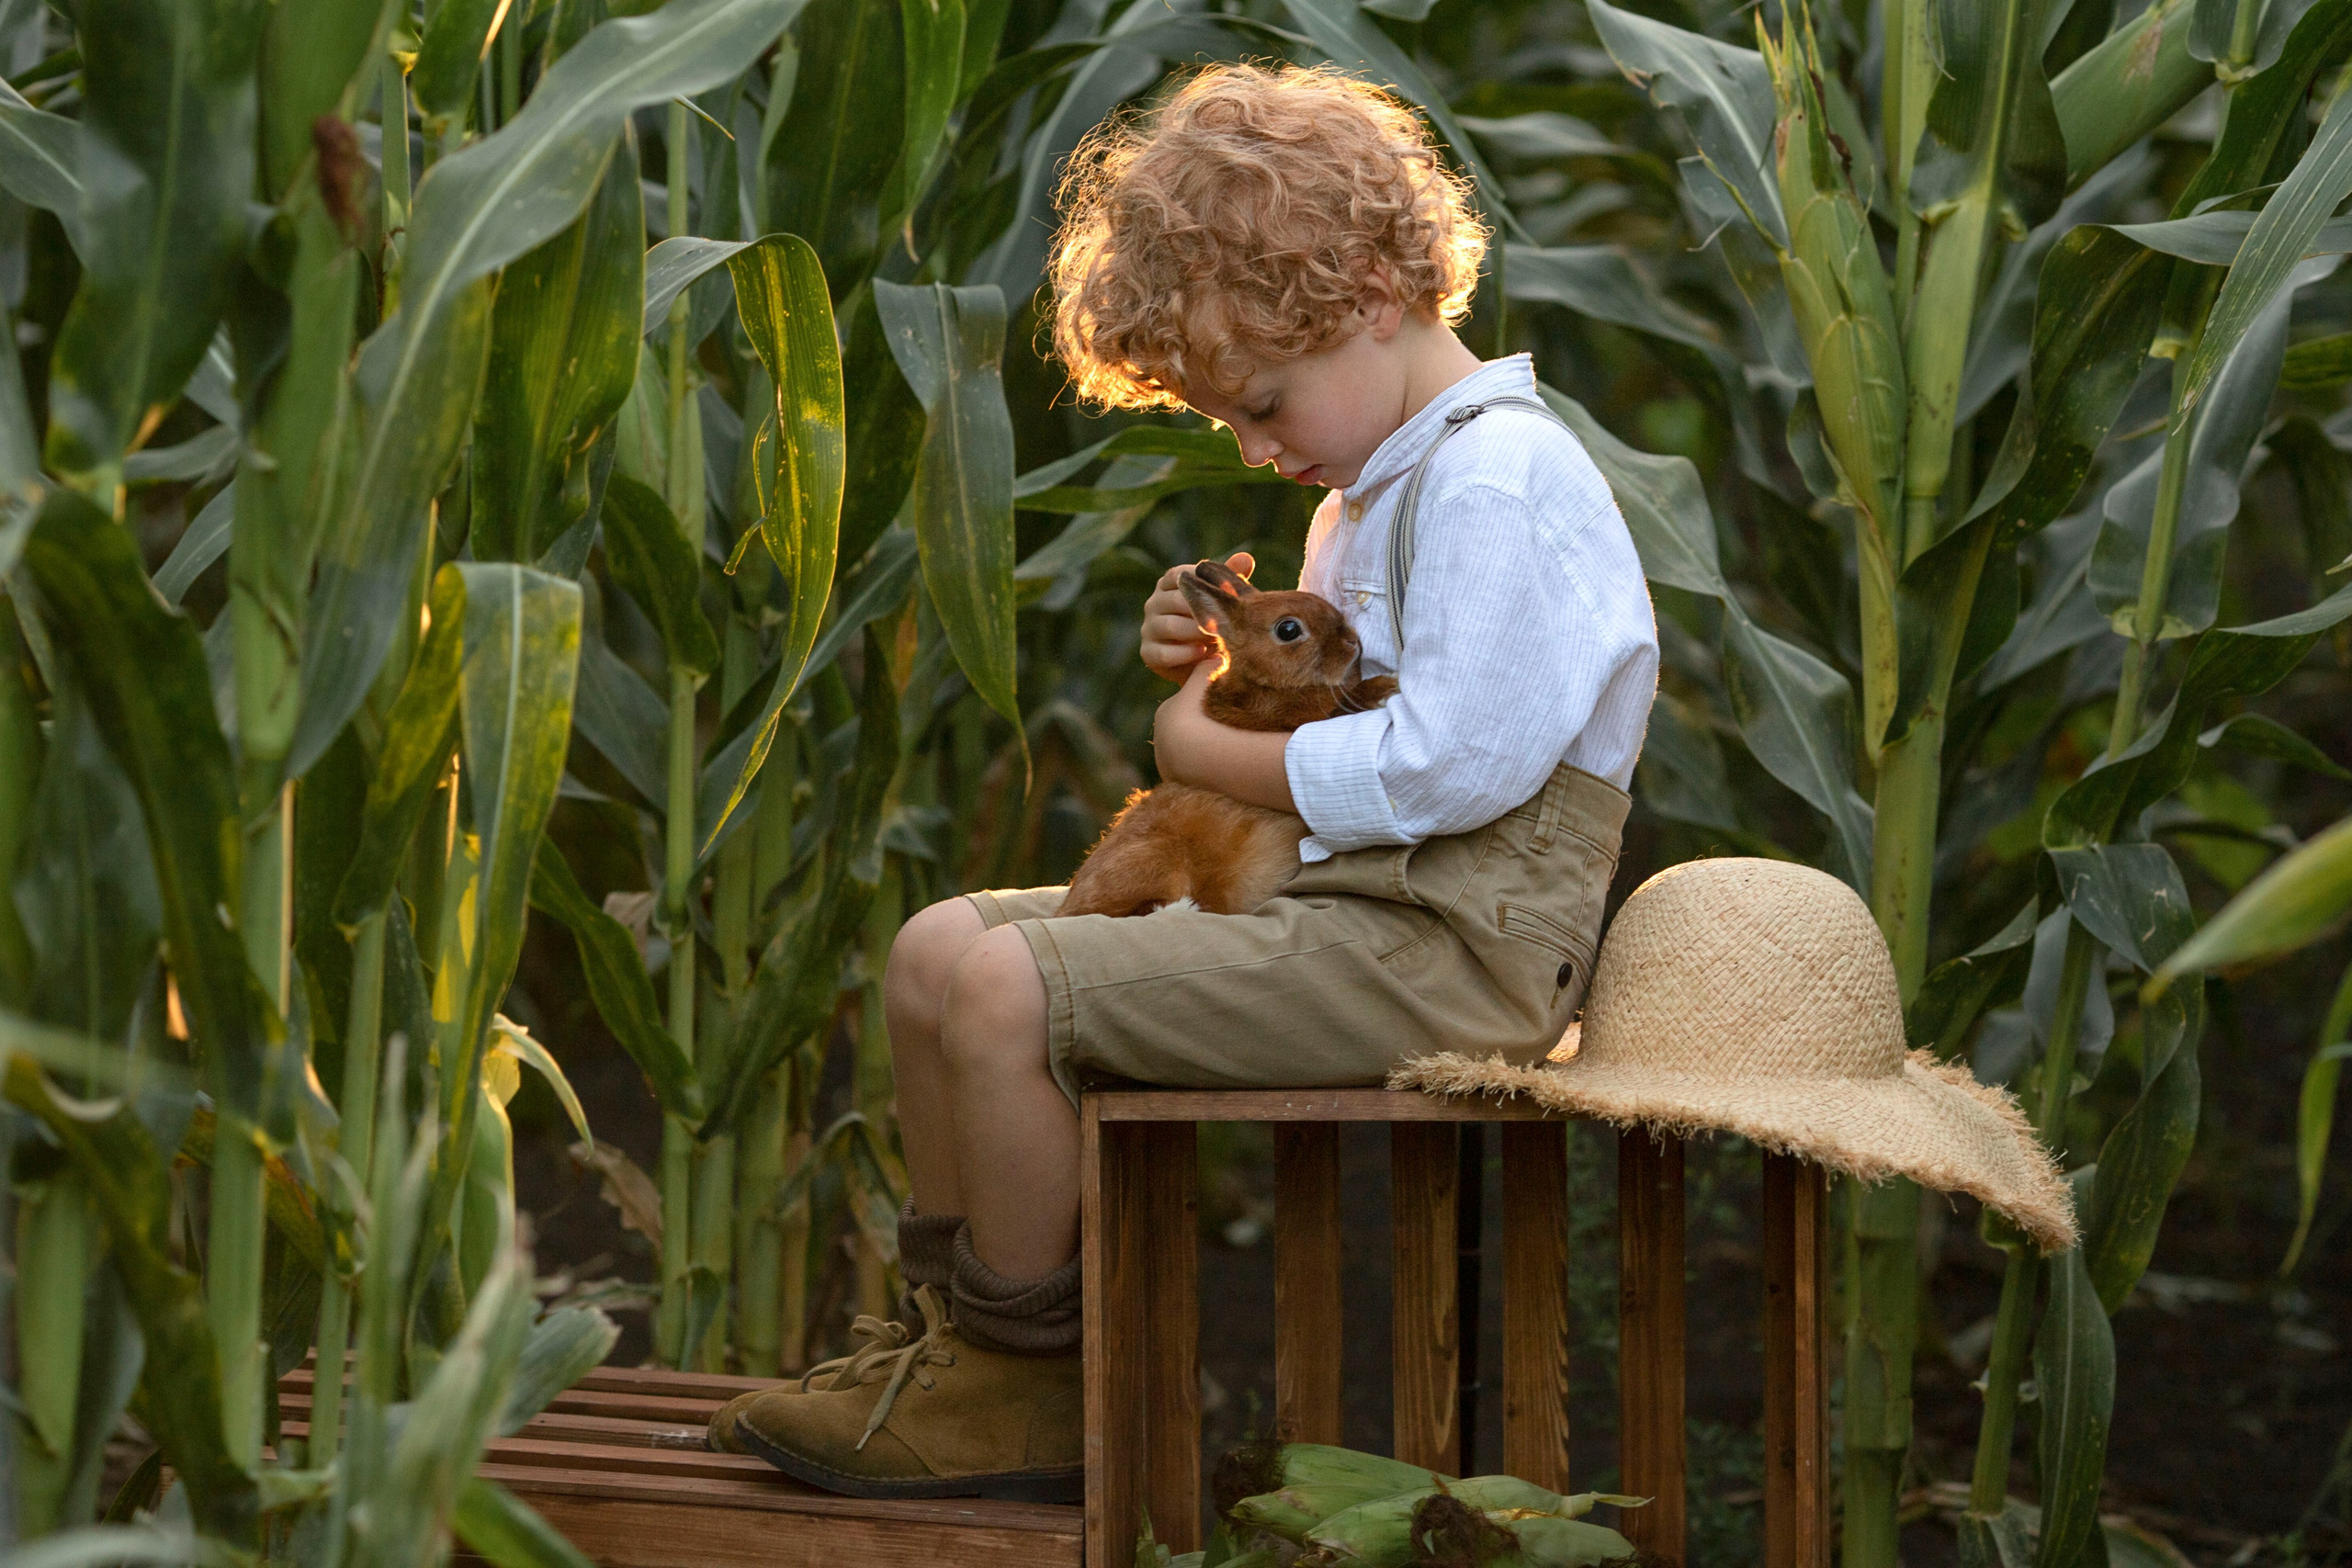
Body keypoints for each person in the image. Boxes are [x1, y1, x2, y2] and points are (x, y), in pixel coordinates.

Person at [713, 61, 1659, 1500]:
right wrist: (1215, 665)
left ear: (1371, 291)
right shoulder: (1376, 495)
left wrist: (1196, 747)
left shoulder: (1499, 484)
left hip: (1456, 947)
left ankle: (1027, 1390)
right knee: (933, 955)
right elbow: (1325, 712)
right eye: (1229, 424)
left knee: (1009, 992)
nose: (1256, 447)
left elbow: (1452, 765)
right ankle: (956, 1342)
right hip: (1347, 908)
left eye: (1263, 404)